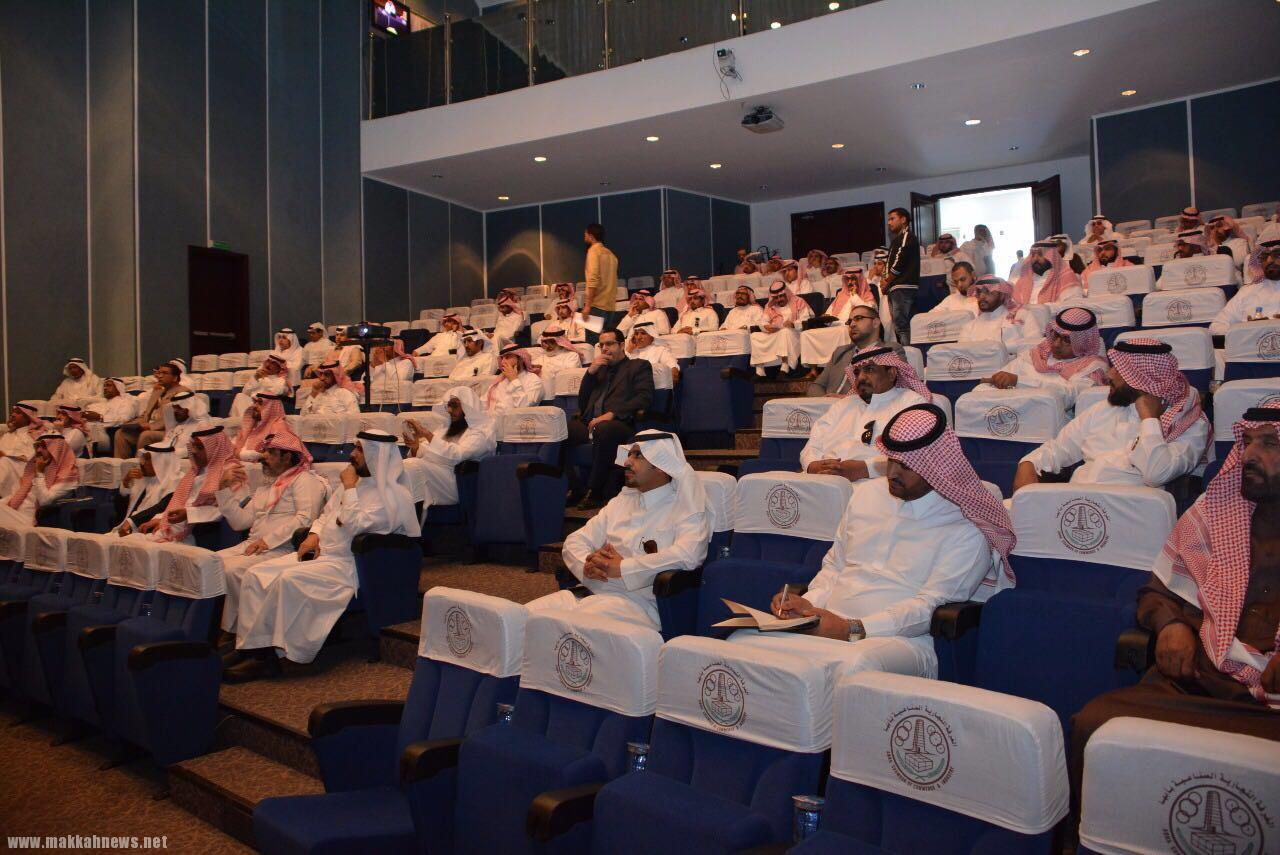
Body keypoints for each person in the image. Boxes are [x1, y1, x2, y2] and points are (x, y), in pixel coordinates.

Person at [1070, 404, 1280, 803]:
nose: (1250, 455)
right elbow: (1158, 590)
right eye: (1249, 441)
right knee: (1095, 726)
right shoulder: (1216, 511)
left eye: (1269, 444)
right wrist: (1171, 623)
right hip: (1205, 680)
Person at [757, 404, 1015, 679]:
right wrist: (808, 605)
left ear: (936, 467)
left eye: (906, 466)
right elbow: (834, 567)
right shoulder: (866, 495)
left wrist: (852, 628)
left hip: (901, 641)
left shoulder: (967, 523)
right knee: (749, 644)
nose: (891, 473)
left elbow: (930, 605)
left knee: (851, 668)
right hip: (827, 622)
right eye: (890, 460)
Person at [226, 429, 420, 679]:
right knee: (256, 574)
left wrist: (349, 488)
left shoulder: (393, 495)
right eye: (355, 447)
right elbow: (326, 514)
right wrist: (314, 534)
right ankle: (249, 647)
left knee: (288, 580)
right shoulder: (355, 484)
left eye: (360, 449)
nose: (352, 454)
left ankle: (268, 657)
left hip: (350, 565)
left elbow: (356, 525)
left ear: (377, 455)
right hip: (323, 555)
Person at [525, 430, 710, 632]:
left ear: (661, 465)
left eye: (638, 455)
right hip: (590, 592)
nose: (627, 462)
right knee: (520, 617)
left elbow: (689, 555)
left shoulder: (685, 506)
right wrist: (587, 564)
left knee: (561, 627)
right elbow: (575, 541)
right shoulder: (621, 502)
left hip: (637, 605)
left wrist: (623, 568)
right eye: (629, 454)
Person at [1014, 339, 1210, 491]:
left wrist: (1149, 420)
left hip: (1130, 513)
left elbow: (1157, 474)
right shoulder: (1104, 408)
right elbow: (1059, 448)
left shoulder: (1189, 422)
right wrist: (1030, 463)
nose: (1109, 375)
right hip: (1077, 501)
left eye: (1120, 370)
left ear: (1142, 378)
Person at [215, 431, 327, 641]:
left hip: (283, 549)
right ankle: (215, 628)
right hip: (254, 546)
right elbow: (240, 522)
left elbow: (305, 519)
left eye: (270, 453)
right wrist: (222, 490)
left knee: (232, 570)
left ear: (287, 456)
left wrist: (267, 541)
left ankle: (234, 634)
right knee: (211, 563)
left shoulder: (304, 480)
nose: (263, 457)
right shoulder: (267, 486)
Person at [800, 347, 931, 478]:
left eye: (869, 369)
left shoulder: (911, 403)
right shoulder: (842, 405)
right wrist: (813, 465)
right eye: (856, 373)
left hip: (878, 481)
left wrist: (865, 469)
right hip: (823, 478)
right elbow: (813, 445)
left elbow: (916, 455)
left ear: (891, 373)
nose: (860, 378)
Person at [565, 329, 653, 509]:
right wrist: (590, 373)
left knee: (604, 428)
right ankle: (576, 487)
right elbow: (583, 404)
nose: (604, 348)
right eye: (601, 345)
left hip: (621, 424)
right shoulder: (599, 370)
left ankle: (595, 492)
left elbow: (644, 398)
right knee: (560, 431)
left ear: (622, 345)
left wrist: (612, 414)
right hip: (590, 423)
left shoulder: (639, 366)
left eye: (610, 344)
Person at [983, 306, 1108, 407]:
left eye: (1066, 340)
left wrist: (1019, 382)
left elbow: (1070, 397)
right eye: (1055, 335)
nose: (1056, 344)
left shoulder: (1093, 368)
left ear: (1083, 341)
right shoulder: (1039, 352)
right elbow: (990, 384)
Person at [403, 388, 497, 517]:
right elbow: (426, 451)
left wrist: (427, 434)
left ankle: (411, 525)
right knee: (404, 467)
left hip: (460, 484)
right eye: (448, 406)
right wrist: (415, 447)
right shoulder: (444, 429)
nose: (449, 410)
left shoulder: (482, 433)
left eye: (454, 406)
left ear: (468, 407)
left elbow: (457, 455)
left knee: (413, 466)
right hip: (437, 477)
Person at [133, 425, 235, 544]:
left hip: (198, 534)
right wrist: (161, 518)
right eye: (193, 446)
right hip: (175, 529)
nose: (194, 452)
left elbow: (228, 510)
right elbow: (180, 502)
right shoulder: (195, 471)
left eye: (200, 447)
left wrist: (188, 514)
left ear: (215, 448)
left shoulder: (232, 472)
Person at [806, 307, 903, 396]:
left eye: (858, 318)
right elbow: (816, 386)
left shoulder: (889, 350)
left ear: (875, 323)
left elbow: (894, 390)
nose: (852, 324)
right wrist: (826, 401)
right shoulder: (841, 352)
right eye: (849, 321)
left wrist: (845, 401)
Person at [0, 433, 79, 526]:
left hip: (31, 521)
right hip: (14, 513)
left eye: (44, 446)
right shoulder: (35, 467)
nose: (38, 450)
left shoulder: (67, 476)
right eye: (37, 446)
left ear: (57, 451)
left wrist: (39, 473)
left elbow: (44, 501)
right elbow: (14, 495)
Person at [114, 362, 189, 458]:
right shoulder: (158, 391)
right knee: (121, 433)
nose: (160, 376)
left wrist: (151, 426)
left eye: (165, 373)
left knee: (146, 435)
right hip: (151, 429)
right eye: (159, 373)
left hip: (171, 432)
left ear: (175, 378)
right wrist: (131, 423)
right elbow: (146, 414)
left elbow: (176, 418)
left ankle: (139, 465)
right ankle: (122, 464)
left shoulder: (183, 392)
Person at [1212, 234, 1280, 334]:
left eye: (1277, 255)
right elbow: (1216, 327)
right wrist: (1247, 330)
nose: (1269, 260)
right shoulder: (1247, 292)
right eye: (1264, 257)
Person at [958, 275, 1042, 353]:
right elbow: (962, 354)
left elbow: (1035, 345)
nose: (982, 296)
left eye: (988, 291)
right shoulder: (969, 327)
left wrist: (1004, 347)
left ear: (1002, 295)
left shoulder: (1022, 317)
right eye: (979, 292)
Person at [115, 442, 182, 536]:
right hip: (128, 530)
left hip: (150, 532)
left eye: (147, 459)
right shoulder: (142, 478)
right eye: (143, 458)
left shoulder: (175, 482)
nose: (142, 463)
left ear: (160, 462)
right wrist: (126, 483)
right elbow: (120, 510)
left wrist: (131, 522)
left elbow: (160, 508)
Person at [751, 281, 813, 375]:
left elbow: (806, 319)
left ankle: (785, 366)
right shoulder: (770, 306)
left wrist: (793, 324)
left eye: (781, 296)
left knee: (785, 332)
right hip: (775, 332)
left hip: (794, 332)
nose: (779, 299)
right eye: (776, 298)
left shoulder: (798, 301)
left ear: (787, 293)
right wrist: (766, 327)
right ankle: (760, 371)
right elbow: (762, 321)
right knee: (755, 336)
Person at [883, 208, 920, 344]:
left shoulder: (907, 236)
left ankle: (907, 353)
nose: (889, 222)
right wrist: (886, 281)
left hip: (903, 286)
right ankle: (905, 350)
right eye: (888, 220)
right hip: (895, 287)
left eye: (892, 219)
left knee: (902, 325)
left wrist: (887, 281)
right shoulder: (897, 239)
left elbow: (899, 262)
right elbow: (890, 263)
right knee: (899, 326)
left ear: (903, 219)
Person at [1012, 240, 1082, 305]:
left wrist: (1044, 309)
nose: (1035, 258)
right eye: (1032, 255)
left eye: (1040, 255)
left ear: (1051, 256)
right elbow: (1014, 304)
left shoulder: (1066, 278)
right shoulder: (1024, 280)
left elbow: (1071, 306)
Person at [0, 404, 44, 496]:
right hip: (5, 468)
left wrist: (6, 455)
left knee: (5, 461)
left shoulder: (34, 435)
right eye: (13, 412)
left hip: (23, 471)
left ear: (28, 417)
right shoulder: (7, 435)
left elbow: (31, 458)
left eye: (18, 412)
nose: (12, 415)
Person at [232, 393, 289, 462]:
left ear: (270, 408)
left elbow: (270, 456)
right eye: (255, 402)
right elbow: (234, 444)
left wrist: (239, 455)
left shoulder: (278, 427)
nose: (254, 406)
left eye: (260, 403)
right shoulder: (252, 423)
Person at [485, 344, 544, 411]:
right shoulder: (500, 379)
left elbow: (524, 409)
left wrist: (514, 380)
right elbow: (484, 403)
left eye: (507, 357)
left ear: (520, 359)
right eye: (502, 358)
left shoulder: (534, 380)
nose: (502, 362)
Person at [230, 354, 290, 418]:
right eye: (268, 361)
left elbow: (277, 392)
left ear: (279, 368)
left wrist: (264, 378)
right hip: (252, 406)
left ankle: (246, 421)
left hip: (267, 409)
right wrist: (255, 379)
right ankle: (243, 421)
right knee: (240, 396)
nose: (268, 364)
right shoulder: (257, 376)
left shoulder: (281, 381)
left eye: (273, 363)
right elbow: (245, 392)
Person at [582, 223, 619, 321]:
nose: (584, 236)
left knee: (593, 332)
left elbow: (593, 278)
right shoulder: (611, 255)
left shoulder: (593, 251)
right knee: (607, 332)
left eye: (585, 234)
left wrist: (587, 305)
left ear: (591, 236)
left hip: (597, 306)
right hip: (610, 306)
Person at [532, 327, 584, 396]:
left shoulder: (572, 356)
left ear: (560, 342)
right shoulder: (540, 359)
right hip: (543, 398)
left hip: (563, 396)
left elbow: (567, 375)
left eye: (551, 342)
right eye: (545, 342)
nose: (547, 345)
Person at [626, 323, 680, 387]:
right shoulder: (631, 352)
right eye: (636, 334)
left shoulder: (660, 350)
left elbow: (673, 368)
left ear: (652, 336)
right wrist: (629, 350)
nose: (639, 337)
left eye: (643, 333)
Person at [162, 391, 213, 456]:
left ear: (190, 408)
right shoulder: (178, 425)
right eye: (174, 408)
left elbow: (200, 450)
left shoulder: (203, 426)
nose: (175, 411)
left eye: (179, 408)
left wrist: (172, 453)